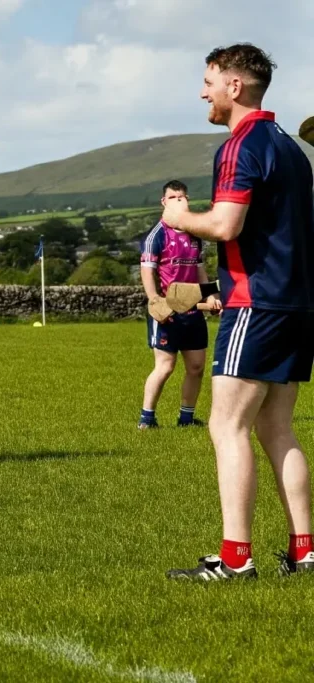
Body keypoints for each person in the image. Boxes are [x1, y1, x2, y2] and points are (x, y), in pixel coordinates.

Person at [162, 44, 314, 580]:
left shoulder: (241, 145)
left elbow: (227, 225)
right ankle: (305, 550)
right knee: (278, 427)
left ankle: (235, 560)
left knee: (227, 427)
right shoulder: (292, 147)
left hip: (257, 302)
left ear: (235, 87)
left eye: (208, 80)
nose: (202, 91)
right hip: (297, 304)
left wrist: (180, 217)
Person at [138, 180, 221, 430]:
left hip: (193, 312)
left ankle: (186, 418)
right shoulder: (157, 235)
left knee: (196, 367)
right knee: (165, 367)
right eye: (173, 197)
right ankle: (147, 419)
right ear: (164, 202)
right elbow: (147, 272)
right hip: (167, 313)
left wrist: (209, 297)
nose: (178, 201)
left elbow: (199, 271)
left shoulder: (194, 235)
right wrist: (155, 302)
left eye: (181, 196)